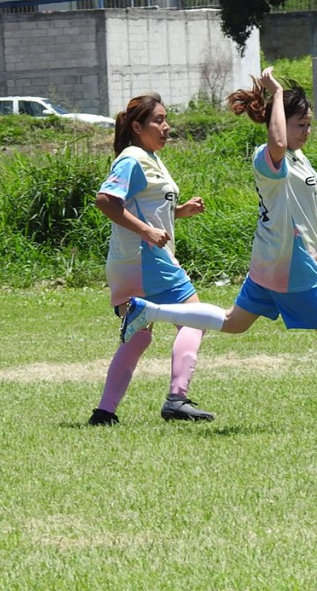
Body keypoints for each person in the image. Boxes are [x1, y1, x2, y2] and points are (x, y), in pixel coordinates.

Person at [118, 67, 317, 430]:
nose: (306, 131)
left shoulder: (297, 158)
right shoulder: (267, 157)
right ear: (279, 123)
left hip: (269, 260)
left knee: (232, 322)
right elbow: (279, 144)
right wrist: (278, 93)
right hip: (291, 262)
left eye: (308, 124)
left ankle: (150, 310)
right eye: (299, 124)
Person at [87, 93, 215, 425]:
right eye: (158, 120)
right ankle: (177, 399)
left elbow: (145, 206)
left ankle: (104, 412)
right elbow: (105, 201)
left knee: (138, 335)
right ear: (137, 126)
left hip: (132, 262)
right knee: (196, 319)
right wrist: (146, 231)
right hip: (147, 261)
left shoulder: (149, 157)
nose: (166, 126)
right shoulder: (132, 158)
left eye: (165, 119)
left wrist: (180, 211)